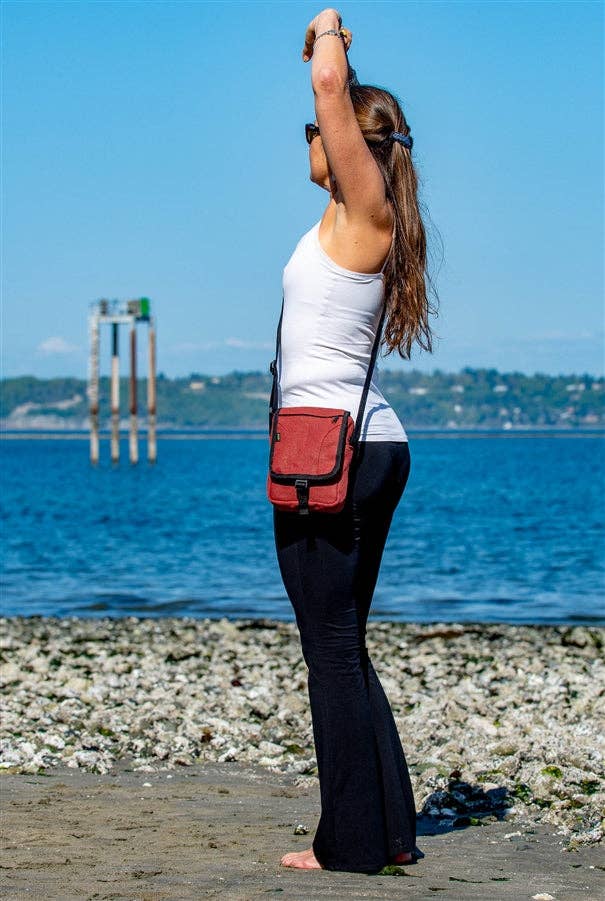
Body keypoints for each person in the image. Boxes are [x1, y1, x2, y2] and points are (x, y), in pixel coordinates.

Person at [272, 7, 438, 875]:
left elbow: (331, 83)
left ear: (353, 146)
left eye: (319, 131)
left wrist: (327, 28)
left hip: (337, 454)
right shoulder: (347, 218)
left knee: (328, 645)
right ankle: (389, 830)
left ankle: (349, 843)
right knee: (343, 640)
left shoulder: (364, 209)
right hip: (353, 446)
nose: (311, 134)